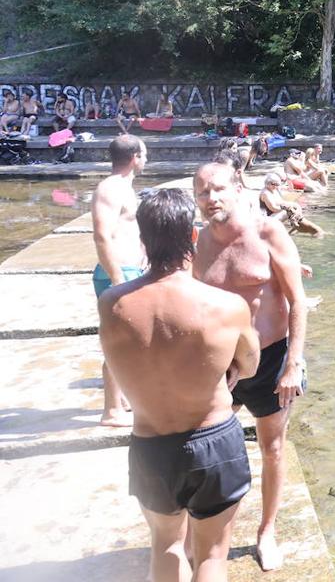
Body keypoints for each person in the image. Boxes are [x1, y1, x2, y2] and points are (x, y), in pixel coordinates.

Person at [98, 189, 261, 582]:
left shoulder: (113, 305)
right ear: (192, 237)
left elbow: (120, 363)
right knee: (212, 556)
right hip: (214, 442)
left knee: (166, 545)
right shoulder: (225, 306)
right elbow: (251, 366)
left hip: (151, 446)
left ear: (143, 241)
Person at [193, 162, 311, 571]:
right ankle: (212, 531)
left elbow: (297, 301)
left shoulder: (267, 232)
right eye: (203, 193)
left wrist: (293, 364)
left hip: (273, 360)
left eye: (218, 189)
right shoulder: (199, 242)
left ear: (238, 186)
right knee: (205, 447)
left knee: (272, 448)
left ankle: (267, 531)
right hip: (222, 365)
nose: (211, 199)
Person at [91, 134, 148, 427]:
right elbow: (101, 234)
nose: (147, 158)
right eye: (145, 153)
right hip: (118, 273)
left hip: (129, 271)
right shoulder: (110, 189)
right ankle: (111, 410)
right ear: (135, 156)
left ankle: (122, 398)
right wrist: (116, 278)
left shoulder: (125, 188)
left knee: (132, 341)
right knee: (120, 342)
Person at [259, 173, 325, 236]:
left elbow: (282, 200)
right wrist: (287, 207)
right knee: (290, 210)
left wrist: (292, 205)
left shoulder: (274, 190)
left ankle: (296, 227)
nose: (275, 186)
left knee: (296, 206)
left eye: (277, 184)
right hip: (269, 218)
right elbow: (273, 209)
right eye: (273, 184)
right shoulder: (265, 193)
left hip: (276, 214)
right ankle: (297, 226)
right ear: (267, 183)